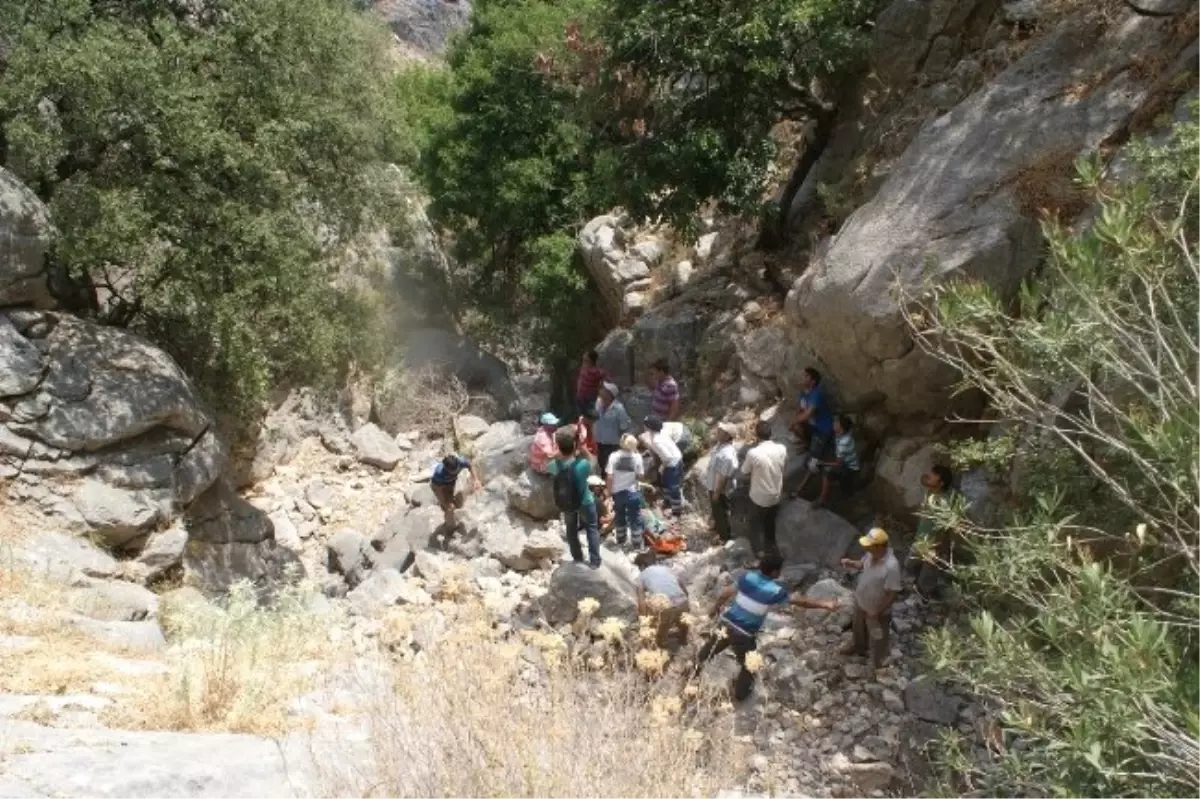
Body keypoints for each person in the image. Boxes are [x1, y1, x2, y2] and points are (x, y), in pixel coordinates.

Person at [693, 553, 838, 700]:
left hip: (725, 623)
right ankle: (740, 695)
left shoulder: (747, 577)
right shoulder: (775, 590)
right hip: (744, 634)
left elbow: (725, 593)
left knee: (708, 650)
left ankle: (692, 676)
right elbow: (800, 601)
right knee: (749, 666)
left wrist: (714, 609)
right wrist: (825, 604)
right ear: (775, 572)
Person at [840, 527, 902, 673]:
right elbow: (861, 565)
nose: (866, 548)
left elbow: (892, 594)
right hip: (861, 601)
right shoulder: (870, 554)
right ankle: (858, 646)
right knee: (858, 627)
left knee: (878, 635)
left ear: (880, 546)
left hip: (877, 609)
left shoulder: (891, 567)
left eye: (869, 546)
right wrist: (850, 563)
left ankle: (878, 662)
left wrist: (877, 610)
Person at [549, 427, 602, 568]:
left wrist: (556, 455)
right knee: (591, 528)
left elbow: (547, 466)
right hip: (585, 501)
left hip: (567, 503)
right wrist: (583, 449)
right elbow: (594, 462)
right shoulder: (582, 465)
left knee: (571, 530)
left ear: (558, 446)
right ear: (574, 445)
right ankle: (595, 561)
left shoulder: (555, 465)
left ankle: (577, 557)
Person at [907, 465, 956, 599]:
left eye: (933, 476)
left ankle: (924, 594)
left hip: (933, 544)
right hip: (920, 539)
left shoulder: (945, 502)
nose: (929, 477)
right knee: (909, 565)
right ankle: (914, 585)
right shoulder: (931, 491)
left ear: (941, 483)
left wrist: (939, 547)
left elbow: (947, 527)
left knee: (927, 575)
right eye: (931, 473)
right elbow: (923, 479)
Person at [741, 420, 788, 556]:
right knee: (769, 525)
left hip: (759, 499)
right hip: (776, 496)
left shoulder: (753, 453)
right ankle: (772, 549)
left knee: (753, 524)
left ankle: (758, 552)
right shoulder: (782, 449)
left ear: (757, 436)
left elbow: (744, 472)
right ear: (771, 434)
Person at [634, 550, 690, 650]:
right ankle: (683, 639)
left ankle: (662, 648)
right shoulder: (666, 569)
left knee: (661, 631)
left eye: (639, 568)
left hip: (666, 607)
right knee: (683, 623)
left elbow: (641, 602)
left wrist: (644, 621)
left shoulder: (641, 577)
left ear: (642, 566)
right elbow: (681, 585)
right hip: (683, 601)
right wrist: (686, 599)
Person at [807, 413, 861, 508]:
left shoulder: (844, 442)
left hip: (849, 468)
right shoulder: (841, 434)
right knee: (820, 462)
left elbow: (839, 463)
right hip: (843, 461)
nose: (834, 423)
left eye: (836, 422)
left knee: (827, 470)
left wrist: (822, 462)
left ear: (841, 427)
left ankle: (822, 499)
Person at [605, 434, 645, 548]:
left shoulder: (613, 456)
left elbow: (609, 476)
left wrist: (609, 491)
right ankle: (637, 544)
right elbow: (641, 475)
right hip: (633, 492)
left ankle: (621, 540)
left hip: (618, 493)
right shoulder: (637, 457)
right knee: (635, 518)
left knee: (619, 516)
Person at [643, 416, 684, 519]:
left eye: (645, 424)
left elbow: (667, 457)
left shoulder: (656, 440)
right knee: (666, 484)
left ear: (649, 427)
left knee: (673, 487)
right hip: (677, 458)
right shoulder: (661, 433)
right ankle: (667, 503)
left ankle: (676, 512)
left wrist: (662, 467)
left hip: (672, 463)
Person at [704, 422, 740, 542]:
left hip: (719, 488)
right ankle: (717, 528)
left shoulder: (727, 454)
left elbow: (723, 476)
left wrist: (716, 493)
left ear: (727, 436)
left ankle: (724, 537)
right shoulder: (720, 446)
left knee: (721, 512)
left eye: (721, 431)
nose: (717, 432)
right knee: (716, 510)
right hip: (713, 485)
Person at [790, 367, 834, 461]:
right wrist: (796, 422)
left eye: (806, 376)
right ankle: (808, 444)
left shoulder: (816, 394)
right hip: (812, 425)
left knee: (811, 460)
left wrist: (794, 421)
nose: (802, 378)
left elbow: (807, 414)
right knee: (797, 427)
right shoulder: (803, 392)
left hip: (822, 428)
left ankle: (818, 449)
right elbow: (800, 409)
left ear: (813, 382)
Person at [430, 454, 480, 528]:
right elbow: (438, 490)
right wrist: (443, 502)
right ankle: (450, 527)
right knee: (449, 508)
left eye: (456, 469)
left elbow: (470, 465)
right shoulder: (439, 473)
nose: (455, 472)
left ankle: (452, 513)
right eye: (452, 471)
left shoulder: (460, 461)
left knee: (453, 502)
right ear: (446, 469)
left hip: (450, 483)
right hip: (439, 486)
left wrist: (476, 479)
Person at [593, 381, 632, 469]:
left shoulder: (619, 408)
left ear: (610, 394)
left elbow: (624, 426)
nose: (601, 391)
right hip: (599, 442)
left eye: (604, 390)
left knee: (611, 468)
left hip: (612, 445)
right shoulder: (598, 403)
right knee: (601, 466)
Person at [575, 349, 607, 417]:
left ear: (590, 359)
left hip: (590, 398)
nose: (584, 356)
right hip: (580, 396)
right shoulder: (584, 367)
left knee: (591, 417)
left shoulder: (597, 371)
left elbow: (605, 379)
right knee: (582, 416)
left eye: (586, 355)